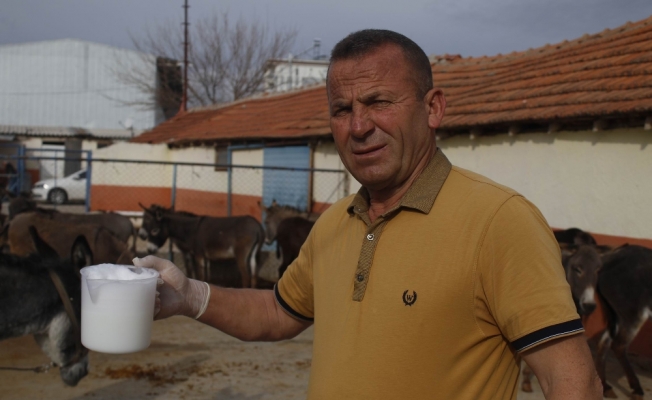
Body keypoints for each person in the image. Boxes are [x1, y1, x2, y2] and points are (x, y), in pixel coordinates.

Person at [135, 29, 602, 399]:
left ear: (433, 108)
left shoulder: (501, 221)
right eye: (342, 109)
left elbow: (574, 383)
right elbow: (279, 311)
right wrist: (190, 296)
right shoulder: (336, 221)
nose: (359, 127)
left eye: (379, 102)